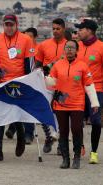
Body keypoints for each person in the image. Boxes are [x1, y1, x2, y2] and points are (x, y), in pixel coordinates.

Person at [0, 14, 34, 161]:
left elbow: (29, 64)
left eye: (11, 24)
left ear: (16, 25)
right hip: (1, 83)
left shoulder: (26, 40)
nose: (9, 27)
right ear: (3, 25)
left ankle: (20, 135)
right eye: (6, 24)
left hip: (19, 83)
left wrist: (28, 83)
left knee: (15, 113)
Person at [48, 39, 99, 169]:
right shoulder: (58, 65)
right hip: (61, 104)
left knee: (76, 129)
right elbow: (51, 83)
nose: (69, 50)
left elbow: (89, 84)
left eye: (72, 48)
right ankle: (66, 159)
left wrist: (94, 102)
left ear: (76, 50)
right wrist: (44, 76)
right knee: (63, 131)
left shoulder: (82, 66)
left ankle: (76, 157)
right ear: (64, 50)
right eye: (67, 47)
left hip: (77, 103)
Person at [35, 18, 68, 154]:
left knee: (62, 113)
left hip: (64, 84)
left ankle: (61, 142)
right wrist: (39, 73)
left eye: (58, 29)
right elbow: (37, 64)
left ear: (64, 29)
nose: (55, 31)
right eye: (53, 28)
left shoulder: (69, 45)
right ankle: (50, 136)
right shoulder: (43, 45)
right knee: (44, 109)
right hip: (47, 83)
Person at [75, 19, 103, 164]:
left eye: (81, 29)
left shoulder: (101, 47)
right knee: (77, 122)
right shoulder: (76, 47)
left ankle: (94, 152)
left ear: (90, 31)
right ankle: (80, 146)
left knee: (97, 122)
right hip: (78, 90)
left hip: (96, 91)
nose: (78, 31)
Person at [5, 27, 39, 144]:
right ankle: (13, 128)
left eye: (29, 36)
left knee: (27, 108)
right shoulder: (18, 47)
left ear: (35, 38)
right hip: (16, 81)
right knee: (15, 106)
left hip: (30, 81)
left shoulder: (38, 49)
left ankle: (28, 134)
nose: (26, 38)